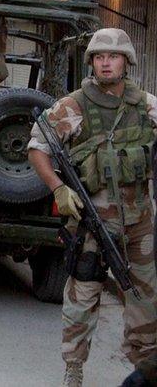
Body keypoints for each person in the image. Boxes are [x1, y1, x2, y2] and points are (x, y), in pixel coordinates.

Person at [28, 28, 157, 387]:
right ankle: (74, 367)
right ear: (92, 62)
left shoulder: (145, 104)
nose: (105, 62)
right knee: (83, 296)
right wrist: (58, 189)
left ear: (125, 62)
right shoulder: (74, 105)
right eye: (99, 57)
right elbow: (37, 147)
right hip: (93, 221)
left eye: (112, 56)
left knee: (145, 298)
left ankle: (145, 370)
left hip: (140, 222)